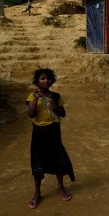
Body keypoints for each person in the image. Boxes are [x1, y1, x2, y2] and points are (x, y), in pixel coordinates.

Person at [26, 68, 75, 209]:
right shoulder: (32, 96)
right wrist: (35, 99)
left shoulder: (56, 96)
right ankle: (37, 193)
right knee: (37, 160)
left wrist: (55, 106)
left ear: (52, 81)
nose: (45, 80)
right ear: (37, 81)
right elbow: (31, 115)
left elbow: (63, 114)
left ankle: (61, 187)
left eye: (48, 78)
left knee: (57, 158)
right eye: (42, 78)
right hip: (39, 133)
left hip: (53, 131)